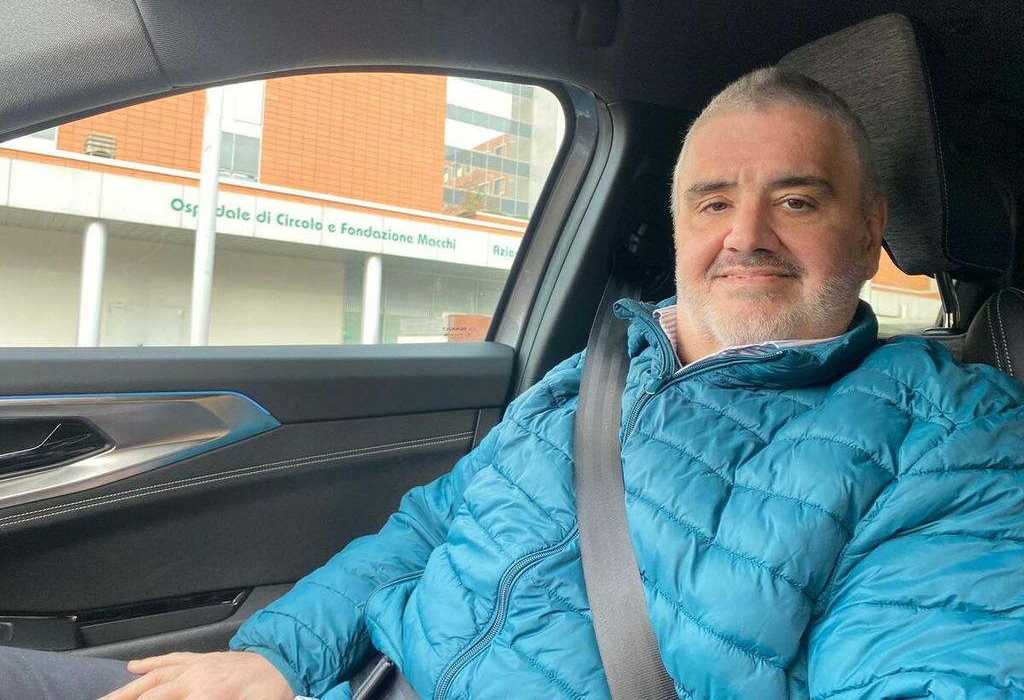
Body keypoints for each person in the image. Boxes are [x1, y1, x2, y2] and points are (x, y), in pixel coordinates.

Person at [7, 68, 1024, 699]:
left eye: (795, 200)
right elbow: (428, 526)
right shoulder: (597, 370)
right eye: (713, 202)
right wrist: (279, 656)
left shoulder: (955, 437)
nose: (745, 235)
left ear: (870, 227)